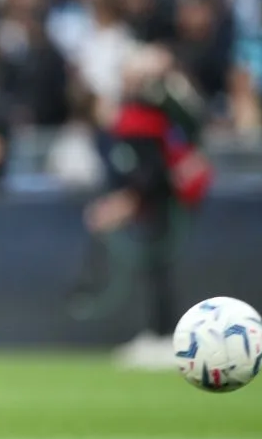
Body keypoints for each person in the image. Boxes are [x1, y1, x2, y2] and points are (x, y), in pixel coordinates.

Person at [68, 45, 212, 369]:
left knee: (160, 267)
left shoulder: (157, 101)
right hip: (152, 193)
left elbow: (185, 131)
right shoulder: (129, 118)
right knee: (154, 268)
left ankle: (165, 335)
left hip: (163, 194)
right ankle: (158, 332)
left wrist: (127, 201)